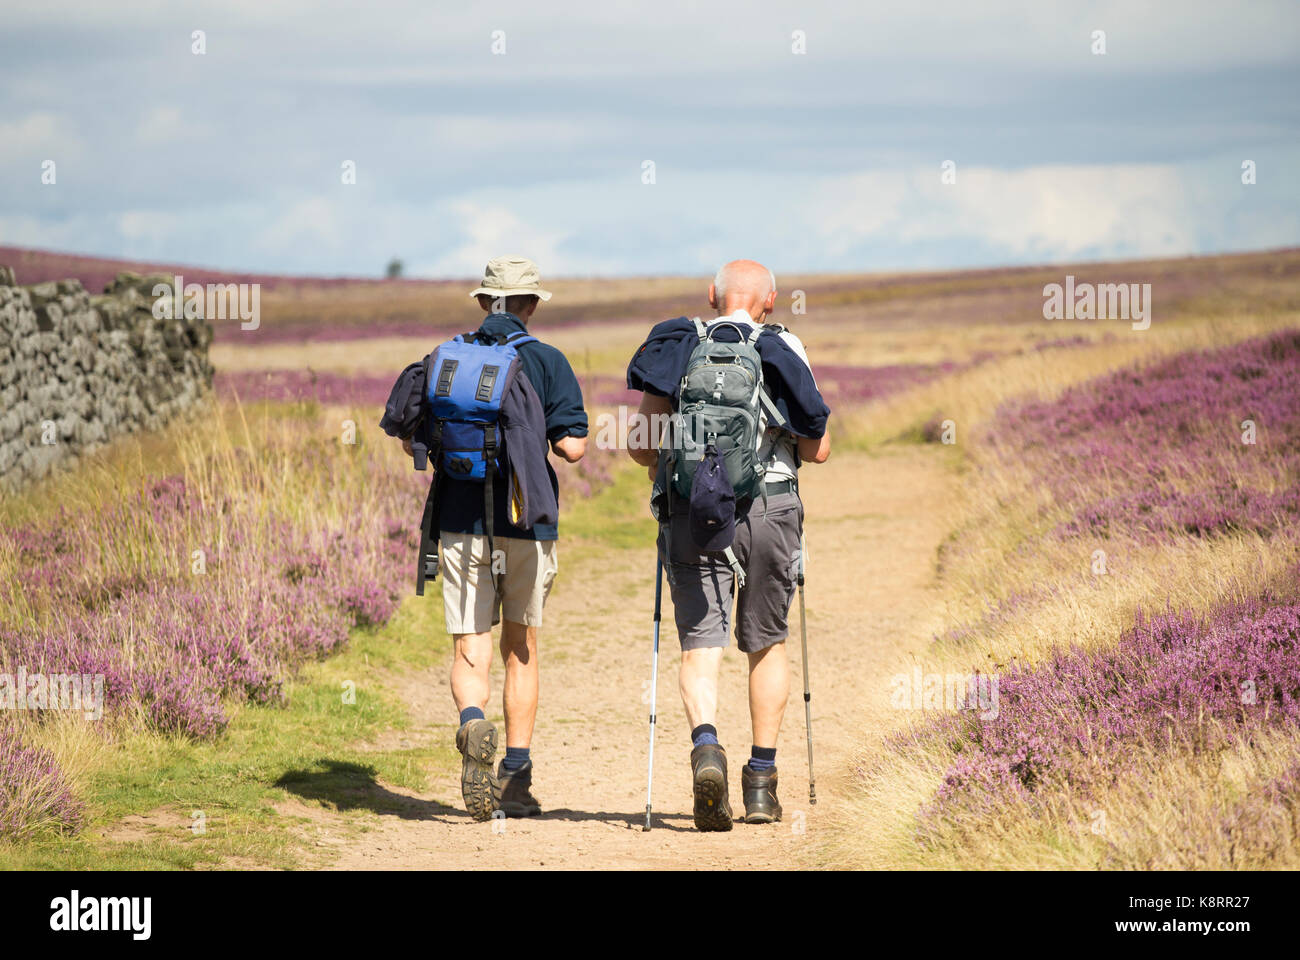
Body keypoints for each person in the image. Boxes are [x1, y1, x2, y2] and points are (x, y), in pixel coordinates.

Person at [625, 259, 830, 831]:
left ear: (712, 295)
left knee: (700, 641)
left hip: (694, 512)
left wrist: (676, 463)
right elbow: (819, 449)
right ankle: (761, 786)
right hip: (769, 508)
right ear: (770, 302)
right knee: (766, 640)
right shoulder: (783, 345)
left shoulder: (678, 344)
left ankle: (707, 749)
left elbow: (641, 447)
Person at [388, 255, 588, 820]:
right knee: (520, 647)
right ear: (531, 305)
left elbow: (412, 440)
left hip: (459, 520)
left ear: (482, 303)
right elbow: (572, 448)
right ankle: (516, 778)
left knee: (470, 644)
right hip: (526, 523)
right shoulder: (547, 361)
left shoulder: (445, 359)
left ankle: (473, 726)